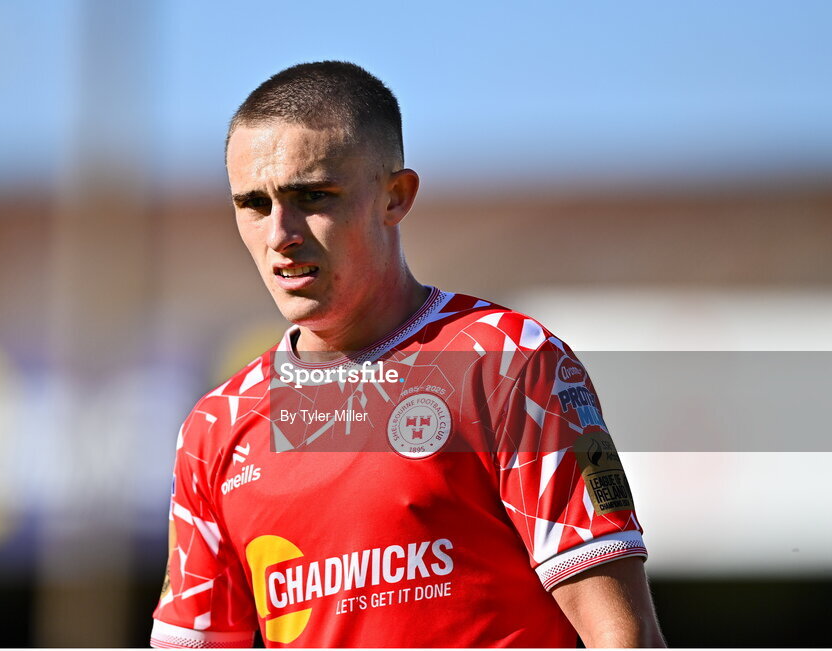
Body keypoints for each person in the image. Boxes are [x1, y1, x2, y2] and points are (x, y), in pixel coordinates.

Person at [151, 61, 665, 648]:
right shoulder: (215, 428)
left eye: (312, 196)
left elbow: (624, 636)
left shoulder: (507, 361)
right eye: (255, 204)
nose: (279, 234)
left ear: (396, 196)